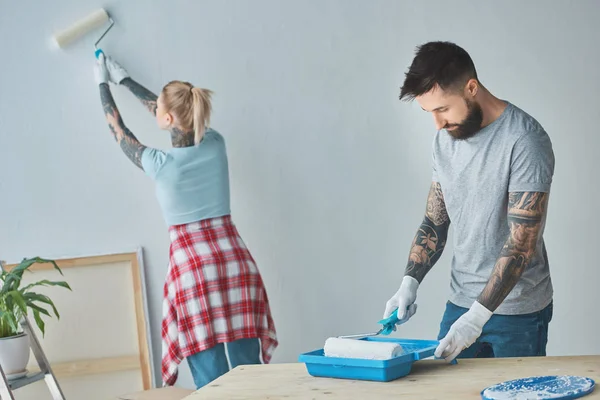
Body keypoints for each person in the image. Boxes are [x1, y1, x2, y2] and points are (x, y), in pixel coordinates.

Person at [93, 54, 278, 388]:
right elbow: (175, 114)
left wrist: (103, 83)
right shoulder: (216, 143)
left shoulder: (159, 163)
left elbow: (119, 131)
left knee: (212, 384)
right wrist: (127, 81)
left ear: (165, 118)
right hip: (236, 265)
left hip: (194, 274)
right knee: (252, 380)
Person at [382, 41, 555, 362]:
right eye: (429, 112)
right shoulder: (445, 140)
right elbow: (435, 220)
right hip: (460, 302)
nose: (437, 124)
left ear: (471, 87)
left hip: (518, 311)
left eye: (442, 109)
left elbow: (521, 244)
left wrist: (478, 318)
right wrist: (409, 282)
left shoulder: (525, 139)